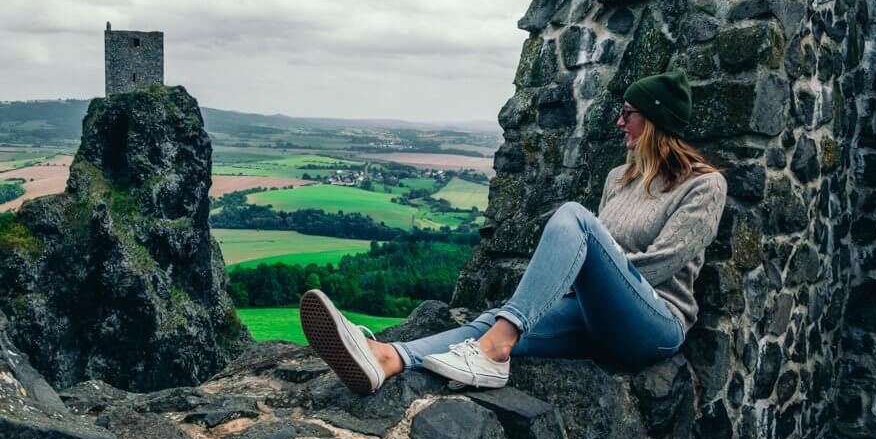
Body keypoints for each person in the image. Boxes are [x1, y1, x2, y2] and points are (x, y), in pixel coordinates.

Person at [299, 68, 728, 395]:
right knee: (499, 320)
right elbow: (600, 263)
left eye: (628, 113)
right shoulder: (620, 177)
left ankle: (494, 351)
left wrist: (584, 278)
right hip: (597, 316)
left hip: (653, 327)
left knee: (573, 217)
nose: (619, 122)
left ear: (652, 120)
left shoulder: (704, 185)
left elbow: (657, 267)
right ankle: (389, 358)